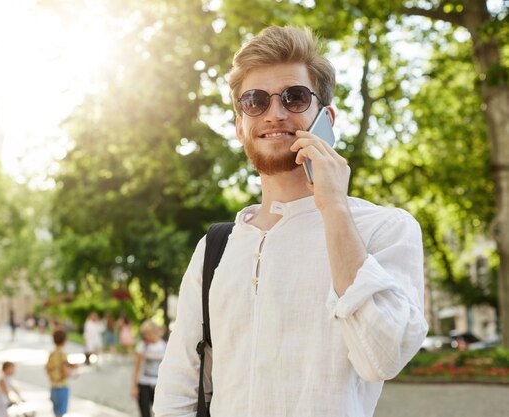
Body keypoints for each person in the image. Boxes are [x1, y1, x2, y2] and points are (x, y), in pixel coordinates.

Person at [153, 26, 427, 417]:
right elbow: (179, 384)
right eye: (255, 101)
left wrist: (333, 206)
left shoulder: (385, 229)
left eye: (294, 97)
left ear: (326, 117)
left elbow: (382, 358)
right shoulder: (216, 248)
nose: (275, 113)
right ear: (240, 125)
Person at [131, 320, 166, 417]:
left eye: (148, 333)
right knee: (145, 414)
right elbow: (136, 367)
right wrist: (133, 387)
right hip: (143, 385)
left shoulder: (165, 346)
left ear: (155, 332)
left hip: (159, 386)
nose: (146, 336)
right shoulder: (142, 346)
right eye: (144, 334)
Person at [46, 329, 77, 417]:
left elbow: (48, 370)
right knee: (60, 414)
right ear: (64, 341)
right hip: (62, 387)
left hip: (53, 387)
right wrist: (72, 370)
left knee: (56, 413)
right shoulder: (63, 355)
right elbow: (65, 372)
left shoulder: (51, 354)